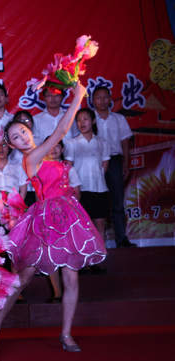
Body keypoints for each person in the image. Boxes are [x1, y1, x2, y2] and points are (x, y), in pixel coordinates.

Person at [0, 82, 106, 353]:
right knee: (23, 277)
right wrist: (78, 97)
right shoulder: (31, 159)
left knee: (72, 278)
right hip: (45, 219)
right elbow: (61, 130)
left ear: (30, 131)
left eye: (23, 132)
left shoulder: (47, 154)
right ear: (12, 145)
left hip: (68, 216)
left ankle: (66, 334)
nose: (22, 137)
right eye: (16, 137)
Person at [65, 108, 110, 274]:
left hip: (99, 189)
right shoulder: (72, 143)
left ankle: (99, 260)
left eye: (85, 119)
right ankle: (85, 262)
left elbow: (104, 165)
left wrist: (96, 177)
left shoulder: (103, 142)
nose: (82, 123)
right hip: (81, 191)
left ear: (93, 121)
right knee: (83, 227)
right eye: (78, 120)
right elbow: (68, 168)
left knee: (99, 225)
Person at [92, 86, 137, 248]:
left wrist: (126, 163)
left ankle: (121, 239)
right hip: (95, 163)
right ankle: (95, 242)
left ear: (110, 99)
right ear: (93, 101)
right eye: (98, 97)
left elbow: (125, 142)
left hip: (115, 162)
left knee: (117, 201)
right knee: (97, 202)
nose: (102, 100)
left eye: (105, 97)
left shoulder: (119, 118)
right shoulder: (90, 119)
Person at [45, 138, 82, 304]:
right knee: (51, 253)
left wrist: (67, 210)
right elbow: (39, 195)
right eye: (50, 147)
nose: (53, 150)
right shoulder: (41, 169)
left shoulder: (69, 169)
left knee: (68, 252)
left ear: (62, 149)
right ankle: (57, 292)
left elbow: (77, 193)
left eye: (57, 146)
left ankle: (70, 291)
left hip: (67, 217)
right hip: (48, 216)